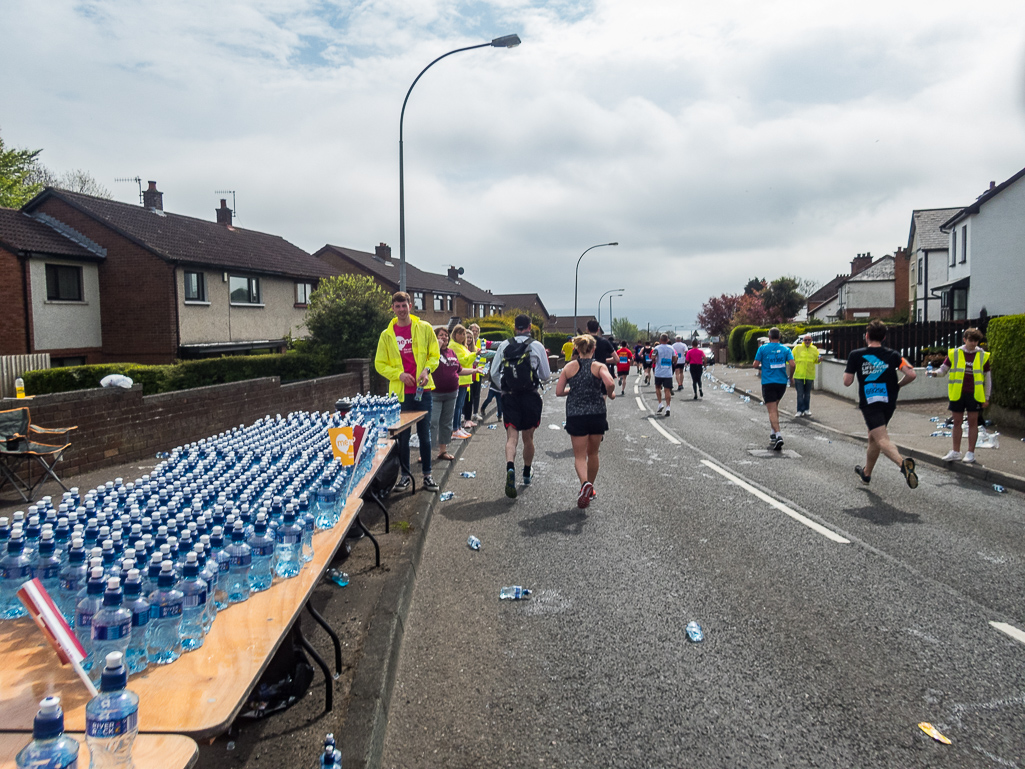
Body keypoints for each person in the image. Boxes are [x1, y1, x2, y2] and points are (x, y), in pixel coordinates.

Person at [374, 292, 441, 491]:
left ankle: (427, 475)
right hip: (400, 395)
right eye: (398, 306)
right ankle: (404, 476)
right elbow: (380, 364)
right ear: (393, 309)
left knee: (425, 435)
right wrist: (399, 375)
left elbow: (434, 355)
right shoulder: (387, 335)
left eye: (405, 305)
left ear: (410, 306)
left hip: (423, 391)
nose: (402, 310)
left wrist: (427, 370)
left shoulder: (425, 328)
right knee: (402, 438)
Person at [843, 319, 918, 488]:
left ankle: (902, 465)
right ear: (884, 337)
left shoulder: (856, 355)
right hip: (889, 400)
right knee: (873, 437)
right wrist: (898, 385)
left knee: (882, 439)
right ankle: (866, 473)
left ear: (867, 336)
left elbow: (847, 381)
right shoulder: (893, 355)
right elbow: (912, 374)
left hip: (870, 401)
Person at [490, 315, 552, 498]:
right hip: (530, 397)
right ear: (530, 327)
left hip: (510, 397)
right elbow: (547, 375)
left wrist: (505, 389)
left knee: (511, 436)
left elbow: (493, 373)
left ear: (515, 327)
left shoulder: (504, 345)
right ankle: (526, 472)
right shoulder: (536, 346)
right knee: (528, 438)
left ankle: (510, 467)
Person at [556, 335, 617, 508]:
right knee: (594, 453)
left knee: (580, 456)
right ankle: (590, 486)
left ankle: (584, 484)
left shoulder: (569, 367)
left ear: (577, 349)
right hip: (597, 413)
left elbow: (559, 391)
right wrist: (610, 393)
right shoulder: (599, 366)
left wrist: (573, 389)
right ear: (593, 349)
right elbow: (609, 381)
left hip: (576, 414)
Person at [927, 327, 991, 464]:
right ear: (964, 340)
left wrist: (987, 397)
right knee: (957, 422)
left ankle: (970, 453)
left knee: (973, 422)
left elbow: (988, 379)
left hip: (975, 394)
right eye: (971, 340)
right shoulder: (955, 353)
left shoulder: (983, 356)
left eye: (976, 341)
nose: (973, 344)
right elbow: (943, 370)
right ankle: (955, 451)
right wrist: (933, 373)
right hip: (958, 393)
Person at [431, 327, 484, 462]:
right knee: (433, 422)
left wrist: (474, 370)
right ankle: (426, 452)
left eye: (446, 336)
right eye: (441, 335)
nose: (445, 338)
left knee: (446, 423)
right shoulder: (432, 352)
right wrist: (437, 344)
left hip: (451, 393)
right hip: (435, 394)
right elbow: (430, 364)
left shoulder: (451, 352)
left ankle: (443, 451)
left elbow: (459, 370)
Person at [753, 327, 795, 451]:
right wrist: (791, 377)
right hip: (781, 383)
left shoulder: (763, 349)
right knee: (775, 408)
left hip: (768, 382)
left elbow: (755, 364)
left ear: (769, 337)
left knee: (771, 410)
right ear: (780, 337)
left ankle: (778, 436)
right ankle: (773, 433)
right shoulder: (785, 349)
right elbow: (792, 364)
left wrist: (764, 365)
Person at [449, 324, 476, 439]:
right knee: (458, 405)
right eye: (460, 333)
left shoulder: (461, 346)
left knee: (460, 405)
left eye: (464, 333)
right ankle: (455, 428)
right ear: (454, 334)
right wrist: (475, 354)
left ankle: (458, 427)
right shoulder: (454, 346)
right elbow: (463, 361)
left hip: (465, 379)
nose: (462, 336)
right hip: (460, 379)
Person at [792, 334, 821, 416]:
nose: (807, 341)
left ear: (811, 340)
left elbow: (816, 360)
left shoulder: (814, 349)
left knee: (807, 394)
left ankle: (806, 409)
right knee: (800, 394)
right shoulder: (797, 348)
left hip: (809, 375)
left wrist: (819, 360)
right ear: (803, 341)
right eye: (806, 340)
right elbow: (791, 358)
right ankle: (799, 410)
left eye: (809, 340)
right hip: (799, 375)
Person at [651, 333, 677, 416]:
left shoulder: (657, 348)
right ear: (668, 340)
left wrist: (655, 360)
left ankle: (660, 404)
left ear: (660, 340)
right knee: (667, 390)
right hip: (668, 372)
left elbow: (652, 357)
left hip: (659, 371)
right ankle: (668, 407)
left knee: (658, 387)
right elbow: (674, 358)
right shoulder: (671, 348)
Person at [464, 323, 485, 423]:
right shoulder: (462, 346)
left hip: (477, 373)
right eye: (473, 330)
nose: (475, 332)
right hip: (466, 375)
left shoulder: (481, 343)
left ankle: (475, 413)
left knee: (476, 394)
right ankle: (465, 416)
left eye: (477, 331)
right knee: (467, 396)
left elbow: (489, 350)